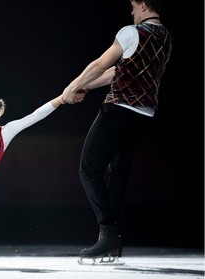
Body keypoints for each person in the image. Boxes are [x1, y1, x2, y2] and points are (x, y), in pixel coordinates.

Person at [61, 0, 172, 262]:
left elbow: (100, 64)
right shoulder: (166, 37)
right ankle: (112, 238)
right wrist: (86, 88)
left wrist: (72, 86)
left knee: (89, 168)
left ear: (143, 5)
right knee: (117, 173)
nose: (132, 12)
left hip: (118, 110)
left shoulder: (130, 32)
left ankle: (107, 232)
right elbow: (118, 71)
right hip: (143, 114)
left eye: (133, 6)